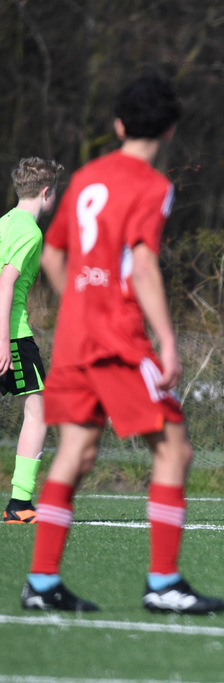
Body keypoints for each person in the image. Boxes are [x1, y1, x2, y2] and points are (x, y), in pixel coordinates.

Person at [22, 75, 224, 613]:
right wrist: (166, 341)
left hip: (73, 338)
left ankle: (41, 584)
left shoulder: (87, 176)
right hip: (117, 340)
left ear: (117, 125)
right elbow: (142, 267)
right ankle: (163, 584)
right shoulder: (153, 186)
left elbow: (52, 255)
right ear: (171, 130)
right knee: (174, 448)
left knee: (75, 450)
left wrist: (81, 306)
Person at [2, 157, 63, 523]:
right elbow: (5, 283)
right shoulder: (29, 230)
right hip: (12, 332)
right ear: (46, 192)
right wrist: (3, 341)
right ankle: (20, 503)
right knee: (38, 410)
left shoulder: (5, 222)